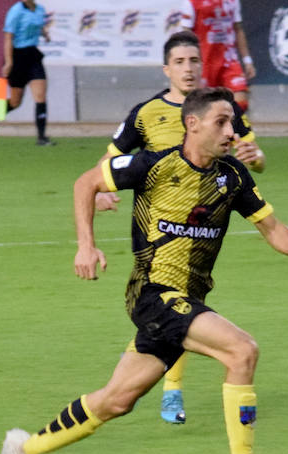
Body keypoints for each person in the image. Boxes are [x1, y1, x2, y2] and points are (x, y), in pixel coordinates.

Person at [0, 86, 288, 454]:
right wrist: (86, 244)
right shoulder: (154, 166)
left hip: (186, 301)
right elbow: (86, 183)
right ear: (192, 124)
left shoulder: (232, 176)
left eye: (233, 123)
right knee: (242, 351)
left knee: (116, 400)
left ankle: (22, 448)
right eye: (221, 122)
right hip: (153, 293)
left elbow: (271, 226)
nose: (231, 132)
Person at [97, 30, 264, 426]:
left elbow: (251, 156)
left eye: (194, 60)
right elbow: (111, 159)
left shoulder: (218, 110)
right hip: (160, 220)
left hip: (207, 215)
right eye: (180, 62)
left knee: (182, 298)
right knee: (170, 296)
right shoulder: (145, 113)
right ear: (166, 68)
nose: (189, 68)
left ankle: (166, 389)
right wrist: (98, 193)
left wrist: (257, 159)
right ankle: (172, 392)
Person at [176, 0, 256, 114]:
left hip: (229, 61)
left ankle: (235, 135)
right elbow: (185, 35)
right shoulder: (192, 2)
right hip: (205, 62)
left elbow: (238, 29)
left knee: (241, 101)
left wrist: (247, 60)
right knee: (203, 109)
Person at [0, 0, 54, 145]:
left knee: (40, 96)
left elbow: (38, 26)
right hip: (17, 57)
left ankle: (41, 137)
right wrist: (9, 62)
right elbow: (8, 37)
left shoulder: (40, 9)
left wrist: (44, 34)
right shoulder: (15, 12)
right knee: (15, 102)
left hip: (33, 56)